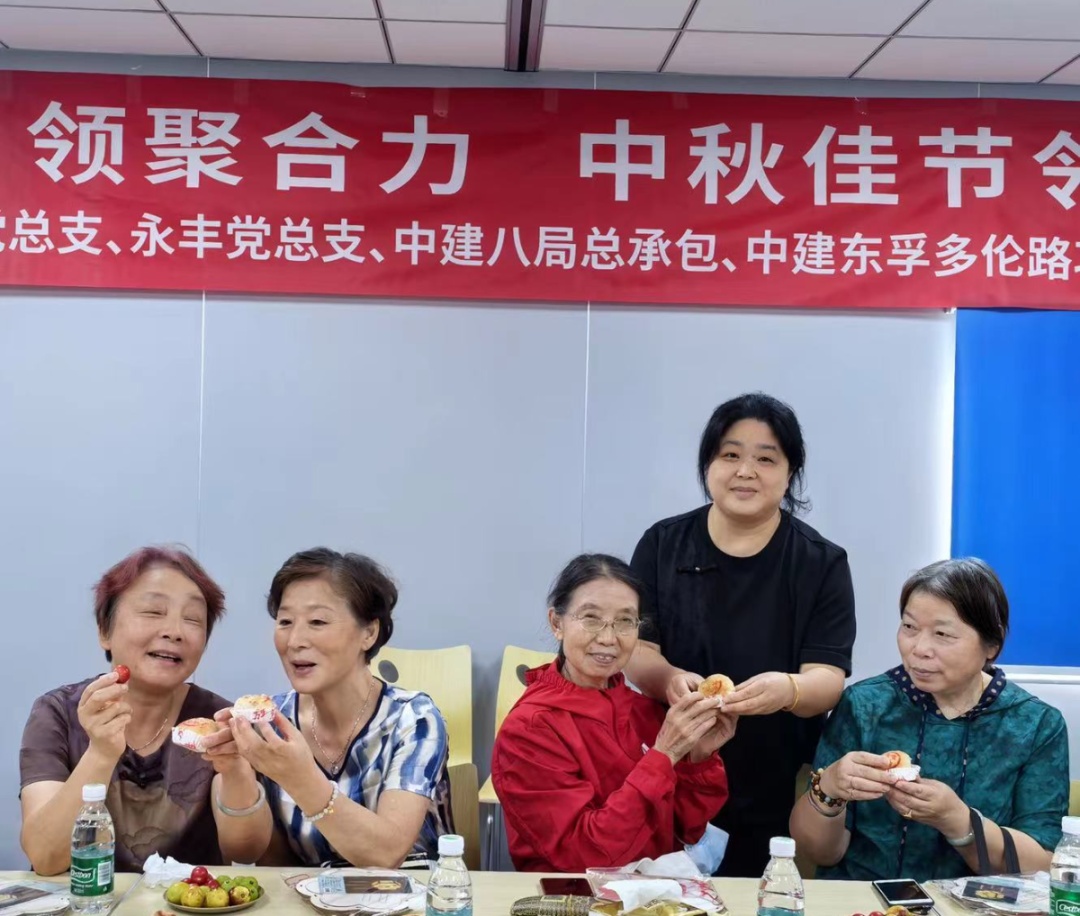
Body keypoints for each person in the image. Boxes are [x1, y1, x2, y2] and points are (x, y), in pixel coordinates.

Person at [625, 392, 856, 876]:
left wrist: (787, 689)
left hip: (773, 771)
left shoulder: (820, 562)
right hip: (670, 760)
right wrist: (669, 679)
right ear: (708, 465)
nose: (745, 471)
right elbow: (639, 651)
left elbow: (828, 678)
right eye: (730, 455)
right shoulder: (663, 544)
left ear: (790, 473)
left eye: (765, 459)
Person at [790, 558, 1069, 880]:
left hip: (977, 902)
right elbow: (819, 853)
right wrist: (829, 787)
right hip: (863, 897)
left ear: (992, 644)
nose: (919, 648)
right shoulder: (864, 705)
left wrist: (957, 820)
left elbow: (1042, 865)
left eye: (942, 633)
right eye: (909, 627)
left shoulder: (1035, 725)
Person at [19, 546, 266, 873]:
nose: (174, 631)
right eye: (153, 612)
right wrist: (101, 753)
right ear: (104, 631)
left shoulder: (218, 721)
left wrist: (235, 771)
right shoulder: (57, 713)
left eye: (193, 619)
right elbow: (46, 857)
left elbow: (246, 851)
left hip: (187, 898)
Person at [491, 554, 735, 872]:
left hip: (656, 892)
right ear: (557, 623)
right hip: (571, 895)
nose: (608, 638)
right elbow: (586, 857)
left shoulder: (646, 711)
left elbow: (687, 829)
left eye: (625, 621)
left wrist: (698, 756)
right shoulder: (529, 730)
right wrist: (664, 754)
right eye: (591, 618)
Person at [222, 547, 451, 866]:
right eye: (285, 621)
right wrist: (235, 772)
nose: (295, 640)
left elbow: (386, 854)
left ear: (369, 633)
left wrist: (300, 778)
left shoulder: (413, 719)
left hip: (413, 890)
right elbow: (256, 858)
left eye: (317, 621)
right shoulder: (270, 722)